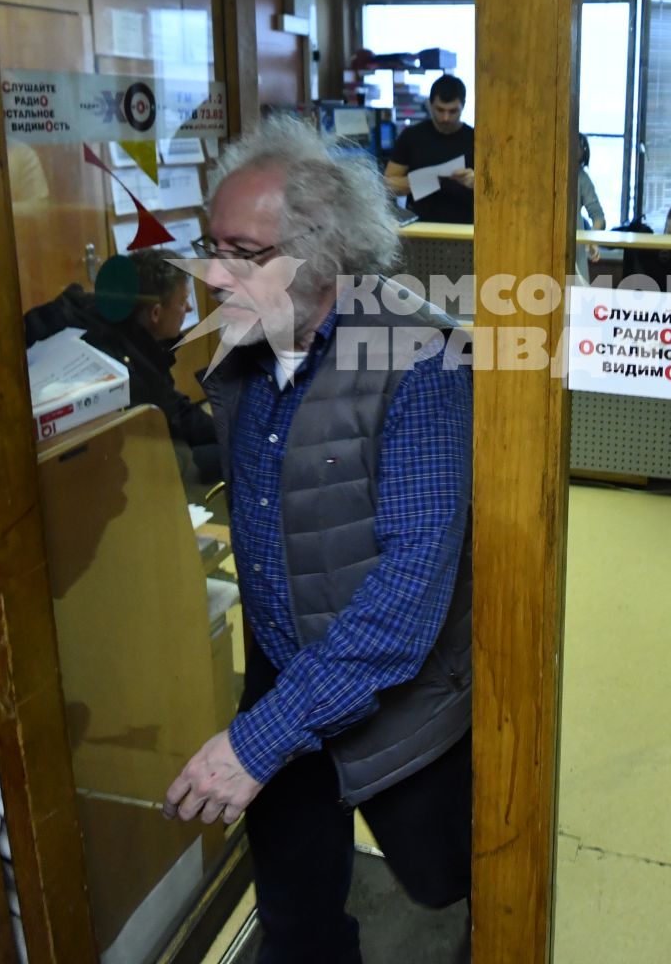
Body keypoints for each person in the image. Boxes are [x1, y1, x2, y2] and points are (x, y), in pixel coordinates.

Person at [165, 118, 472, 964]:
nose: (212, 274)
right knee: (295, 907)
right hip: (282, 664)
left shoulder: (419, 359)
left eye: (242, 252)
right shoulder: (247, 342)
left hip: (401, 692)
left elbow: (409, 592)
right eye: (208, 245)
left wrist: (256, 743)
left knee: (447, 890)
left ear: (325, 255)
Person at [23, 250, 221, 483]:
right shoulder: (120, 366)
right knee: (234, 457)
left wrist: (227, 430)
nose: (188, 309)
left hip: (146, 446)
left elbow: (173, 406)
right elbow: (160, 454)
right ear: (156, 313)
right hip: (134, 466)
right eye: (182, 301)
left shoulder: (126, 332)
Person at [384, 73, 474, 223]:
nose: (446, 118)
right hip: (420, 226)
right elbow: (388, 186)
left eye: (453, 111)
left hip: (465, 227)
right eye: (440, 110)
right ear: (430, 104)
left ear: (463, 106)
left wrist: (476, 182)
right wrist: (430, 179)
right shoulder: (412, 136)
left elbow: (498, 189)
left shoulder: (476, 139)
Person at [574, 132, 605, 280]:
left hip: (575, 247)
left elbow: (598, 216)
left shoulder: (582, 178)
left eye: (580, 147)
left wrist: (592, 240)